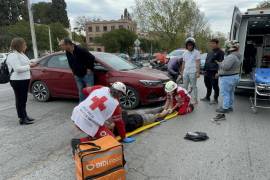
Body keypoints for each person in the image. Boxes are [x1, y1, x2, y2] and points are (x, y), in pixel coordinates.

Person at [71, 82, 135, 143]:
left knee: (104, 125)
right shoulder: (115, 105)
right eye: (121, 94)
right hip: (88, 122)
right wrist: (123, 137)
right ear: (119, 93)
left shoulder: (100, 87)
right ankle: (80, 141)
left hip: (76, 114)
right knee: (111, 139)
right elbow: (119, 123)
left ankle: (94, 135)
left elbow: (84, 90)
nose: (121, 96)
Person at [6, 38, 37, 125]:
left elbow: (26, 62)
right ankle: (22, 118)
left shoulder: (21, 54)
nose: (26, 46)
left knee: (23, 99)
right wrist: (30, 66)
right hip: (18, 80)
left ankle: (25, 116)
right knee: (20, 100)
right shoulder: (13, 55)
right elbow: (17, 69)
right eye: (24, 44)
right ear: (19, 45)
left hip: (23, 79)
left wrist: (33, 62)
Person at [59, 38, 95, 102]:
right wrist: (73, 71)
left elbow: (92, 58)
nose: (60, 46)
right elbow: (70, 62)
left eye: (62, 45)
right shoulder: (67, 52)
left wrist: (89, 68)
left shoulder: (80, 50)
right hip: (77, 75)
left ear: (68, 44)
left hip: (87, 75)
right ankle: (81, 106)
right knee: (81, 92)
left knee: (89, 91)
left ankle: (90, 107)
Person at [215, 40, 241, 114]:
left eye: (227, 47)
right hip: (234, 76)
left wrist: (220, 63)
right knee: (230, 93)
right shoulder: (237, 55)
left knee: (225, 93)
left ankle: (225, 108)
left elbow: (226, 67)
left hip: (228, 78)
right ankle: (230, 106)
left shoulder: (231, 56)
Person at [201, 39, 224, 104]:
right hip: (207, 71)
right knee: (207, 84)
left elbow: (221, 63)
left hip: (214, 72)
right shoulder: (210, 52)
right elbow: (206, 61)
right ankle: (207, 97)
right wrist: (204, 70)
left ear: (217, 44)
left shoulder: (220, 52)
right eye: (211, 43)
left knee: (215, 85)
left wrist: (218, 72)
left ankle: (215, 99)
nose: (212, 44)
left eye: (213, 43)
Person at [181, 37, 201, 104]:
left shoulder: (197, 52)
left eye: (191, 45)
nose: (189, 46)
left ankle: (195, 100)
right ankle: (184, 99)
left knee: (194, 86)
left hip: (193, 72)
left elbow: (198, 62)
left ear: (193, 45)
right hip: (186, 72)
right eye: (188, 45)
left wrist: (198, 72)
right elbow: (183, 63)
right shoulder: (184, 53)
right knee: (184, 87)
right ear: (186, 46)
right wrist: (181, 72)